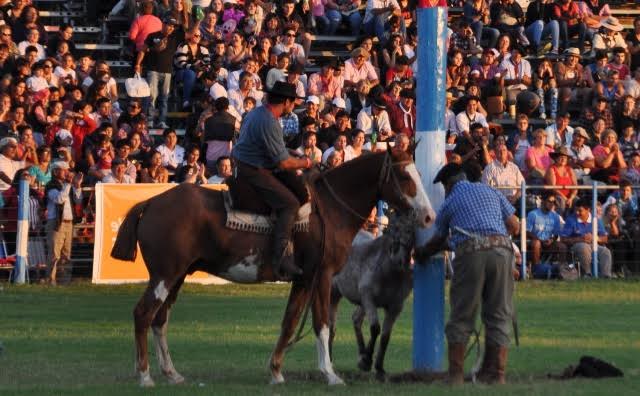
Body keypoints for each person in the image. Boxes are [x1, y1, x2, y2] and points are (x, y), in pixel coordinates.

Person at [415, 163, 519, 385]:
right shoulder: (491, 191)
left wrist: (422, 253)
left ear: (448, 184)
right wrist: (493, 235)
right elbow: (514, 225)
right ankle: (497, 374)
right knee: (499, 313)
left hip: (471, 254)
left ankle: (455, 376)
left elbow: (438, 239)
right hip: (502, 251)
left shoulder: (449, 202)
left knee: (462, 313)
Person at [231, 81, 313, 279]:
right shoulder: (269, 121)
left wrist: (290, 153)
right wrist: (307, 163)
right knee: (290, 203)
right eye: (293, 103)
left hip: (246, 163)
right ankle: (280, 259)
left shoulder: (258, 113)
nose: (293, 107)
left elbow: (276, 150)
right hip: (253, 171)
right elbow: (284, 163)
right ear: (286, 102)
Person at [135, 17, 183, 129]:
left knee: (165, 97)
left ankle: (162, 121)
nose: (170, 28)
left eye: (172, 26)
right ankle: (150, 120)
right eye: (169, 25)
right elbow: (142, 50)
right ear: (163, 24)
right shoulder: (152, 35)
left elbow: (189, 32)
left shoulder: (175, 37)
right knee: (152, 96)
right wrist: (138, 64)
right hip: (153, 70)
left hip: (167, 71)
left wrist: (197, 21)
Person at [45, 161, 83, 285]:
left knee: (66, 254)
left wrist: (77, 186)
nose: (67, 172)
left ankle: (63, 281)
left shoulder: (68, 185)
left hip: (69, 222)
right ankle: (51, 280)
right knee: (54, 253)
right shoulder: (51, 185)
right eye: (64, 170)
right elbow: (59, 199)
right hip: (57, 222)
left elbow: (78, 199)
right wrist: (68, 184)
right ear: (55, 172)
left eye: (68, 170)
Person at [560, 198, 612, 278]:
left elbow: (605, 238)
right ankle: (587, 274)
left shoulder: (596, 220)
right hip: (577, 245)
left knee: (606, 251)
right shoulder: (570, 220)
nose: (577, 213)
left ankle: (606, 275)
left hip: (594, 244)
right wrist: (581, 239)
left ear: (588, 210)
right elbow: (563, 239)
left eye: (580, 211)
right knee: (584, 247)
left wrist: (595, 238)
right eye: (576, 210)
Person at [526, 191, 567, 279]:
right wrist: (540, 240)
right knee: (536, 243)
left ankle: (561, 271)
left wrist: (551, 240)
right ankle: (537, 270)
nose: (552, 204)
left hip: (549, 242)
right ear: (543, 201)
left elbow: (556, 234)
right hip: (536, 241)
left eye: (554, 202)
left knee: (562, 247)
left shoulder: (555, 216)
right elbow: (527, 232)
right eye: (549, 201)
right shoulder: (533, 214)